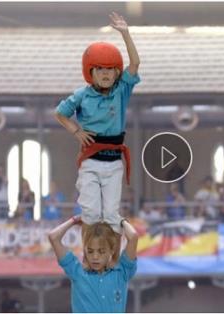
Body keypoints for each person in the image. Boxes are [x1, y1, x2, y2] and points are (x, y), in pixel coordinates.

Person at [54, 12, 140, 237]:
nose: (105, 73)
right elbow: (60, 113)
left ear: (116, 72)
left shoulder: (122, 90)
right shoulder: (81, 95)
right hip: (90, 161)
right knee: (91, 212)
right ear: (90, 71)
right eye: (99, 68)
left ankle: (110, 260)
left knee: (111, 215)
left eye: (110, 69)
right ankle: (88, 259)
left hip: (114, 163)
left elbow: (135, 63)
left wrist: (125, 34)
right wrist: (76, 131)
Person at [48, 215, 138, 313]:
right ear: (85, 251)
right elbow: (53, 237)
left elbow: (133, 237)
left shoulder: (122, 272)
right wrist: (74, 220)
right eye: (90, 251)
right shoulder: (77, 272)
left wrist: (120, 220)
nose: (95, 257)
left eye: (101, 251)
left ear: (112, 250)